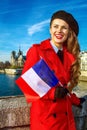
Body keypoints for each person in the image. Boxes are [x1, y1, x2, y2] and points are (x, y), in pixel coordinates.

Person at [21, 10, 85, 130]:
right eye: (55, 26)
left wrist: (75, 100)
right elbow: (27, 84)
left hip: (65, 117)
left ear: (69, 32)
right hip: (46, 119)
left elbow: (64, 88)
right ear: (50, 30)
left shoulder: (69, 55)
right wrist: (52, 93)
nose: (59, 31)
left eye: (64, 28)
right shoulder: (37, 51)